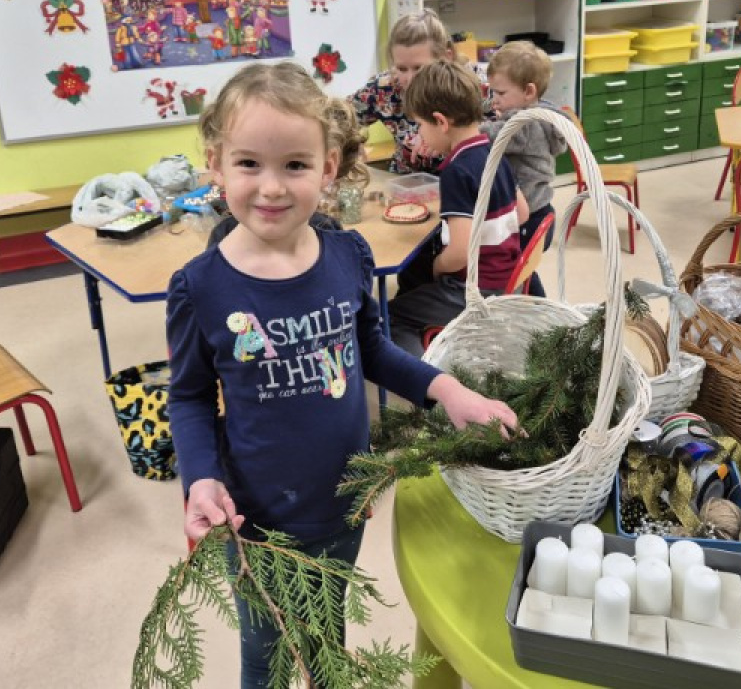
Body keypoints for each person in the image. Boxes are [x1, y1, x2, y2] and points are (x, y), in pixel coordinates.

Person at [165, 61, 519, 688]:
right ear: (215, 165)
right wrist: (200, 481)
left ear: (327, 167)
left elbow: (372, 352)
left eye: (294, 165)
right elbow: (190, 398)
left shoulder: (347, 255)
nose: (271, 187)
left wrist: (447, 390)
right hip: (256, 519)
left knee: (327, 640)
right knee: (267, 656)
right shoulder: (201, 287)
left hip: (343, 503)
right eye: (248, 164)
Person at [387, 60, 529, 357]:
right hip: (506, 277)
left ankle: (428, 377)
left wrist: (437, 268)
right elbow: (523, 212)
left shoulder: (457, 170)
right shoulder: (493, 151)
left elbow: (460, 253)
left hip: (475, 290)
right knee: (414, 276)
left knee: (391, 316)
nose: (420, 134)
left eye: (421, 125)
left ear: (440, 122)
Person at [479, 41, 568, 297]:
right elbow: (494, 110)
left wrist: (467, 128)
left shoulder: (524, 124)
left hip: (527, 217)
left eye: (500, 93)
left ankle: (533, 309)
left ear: (528, 92)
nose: (494, 99)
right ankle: (541, 308)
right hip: (541, 210)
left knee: (514, 272)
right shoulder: (542, 112)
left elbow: (491, 136)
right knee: (524, 271)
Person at [351, 9, 457, 174]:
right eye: (401, 68)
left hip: (461, 181)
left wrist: (446, 137)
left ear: (446, 58)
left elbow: (498, 133)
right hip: (404, 183)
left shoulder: (470, 86)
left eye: (419, 68)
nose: (410, 78)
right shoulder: (385, 88)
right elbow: (338, 117)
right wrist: (350, 142)